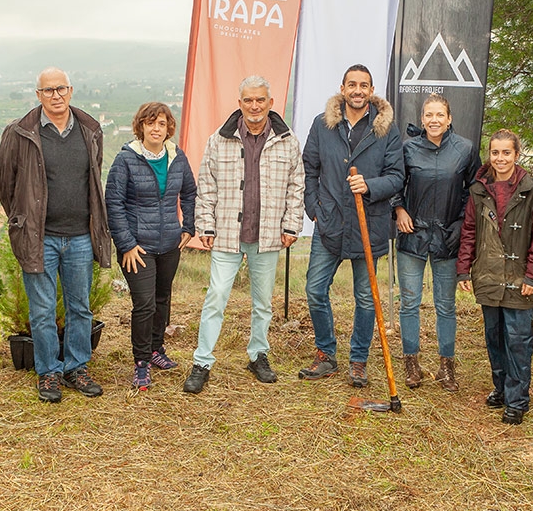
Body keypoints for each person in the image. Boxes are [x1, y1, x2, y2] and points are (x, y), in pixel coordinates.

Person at [182, 76, 304, 394]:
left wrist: (292, 226)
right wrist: (204, 226)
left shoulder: (287, 140)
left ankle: (257, 354)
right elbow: (205, 186)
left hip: (267, 235)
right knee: (216, 297)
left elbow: (297, 186)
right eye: (248, 100)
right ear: (239, 103)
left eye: (260, 100)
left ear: (271, 103)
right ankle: (202, 362)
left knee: (263, 302)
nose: (254, 106)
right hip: (226, 233)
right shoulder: (218, 140)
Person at [0, 67, 111, 403]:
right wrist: (20, 219)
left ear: (71, 91)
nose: (56, 95)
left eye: (61, 89)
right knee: (42, 310)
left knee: (81, 308)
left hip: (79, 237)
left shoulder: (90, 130)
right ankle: (48, 373)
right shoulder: (19, 132)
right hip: (39, 238)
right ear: (38, 95)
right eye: (48, 90)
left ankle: (77, 368)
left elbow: (93, 178)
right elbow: (4, 182)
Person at [298, 65, 404, 387]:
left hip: (367, 225)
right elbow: (310, 167)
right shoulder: (322, 125)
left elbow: (397, 176)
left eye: (364, 86)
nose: (358, 91)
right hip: (329, 222)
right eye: (352, 85)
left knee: (366, 297)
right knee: (315, 290)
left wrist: (369, 186)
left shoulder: (386, 130)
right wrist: (313, 207)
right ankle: (326, 354)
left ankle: (358, 361)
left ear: (371, 91)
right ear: (342, 88)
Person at [457, 129, 533, 424]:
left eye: (506, 153)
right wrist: (464, 268)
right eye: (495, 152)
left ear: (516, 155)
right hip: (488, 274)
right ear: (490, 154)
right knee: (494, 336)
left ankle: (517, 400)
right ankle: (500, 389)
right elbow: (470, 230)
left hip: (519, 277)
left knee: (518, 339)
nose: (500, 158)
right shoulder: (478, 190)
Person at [106, 102, 196, 390]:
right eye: (150, 123)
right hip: (137, 247)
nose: (156, 128)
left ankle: (157, 349)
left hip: (169, 244)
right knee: (144, 304)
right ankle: (141, 362)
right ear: (141, 127)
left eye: (162, 123)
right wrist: (126, 244)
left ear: (169, 127)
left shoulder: (177, 157)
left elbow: (190, 193)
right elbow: (114, 204)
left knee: (162, 299)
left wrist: (188, 227)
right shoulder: (126, 160)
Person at [392, 93, 478, 391]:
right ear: (422, 118)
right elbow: (395, 183)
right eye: (429, 114)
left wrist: (461, 224)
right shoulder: (408, 149)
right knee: (409, 303)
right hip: (412, 235)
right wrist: (398, 209)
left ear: (449, 118)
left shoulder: (465, 149)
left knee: (446, 305)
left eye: (440, 114)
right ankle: (411, 364)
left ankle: (446, 367)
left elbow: (475, 191)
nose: (434, 120)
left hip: (447, 238)